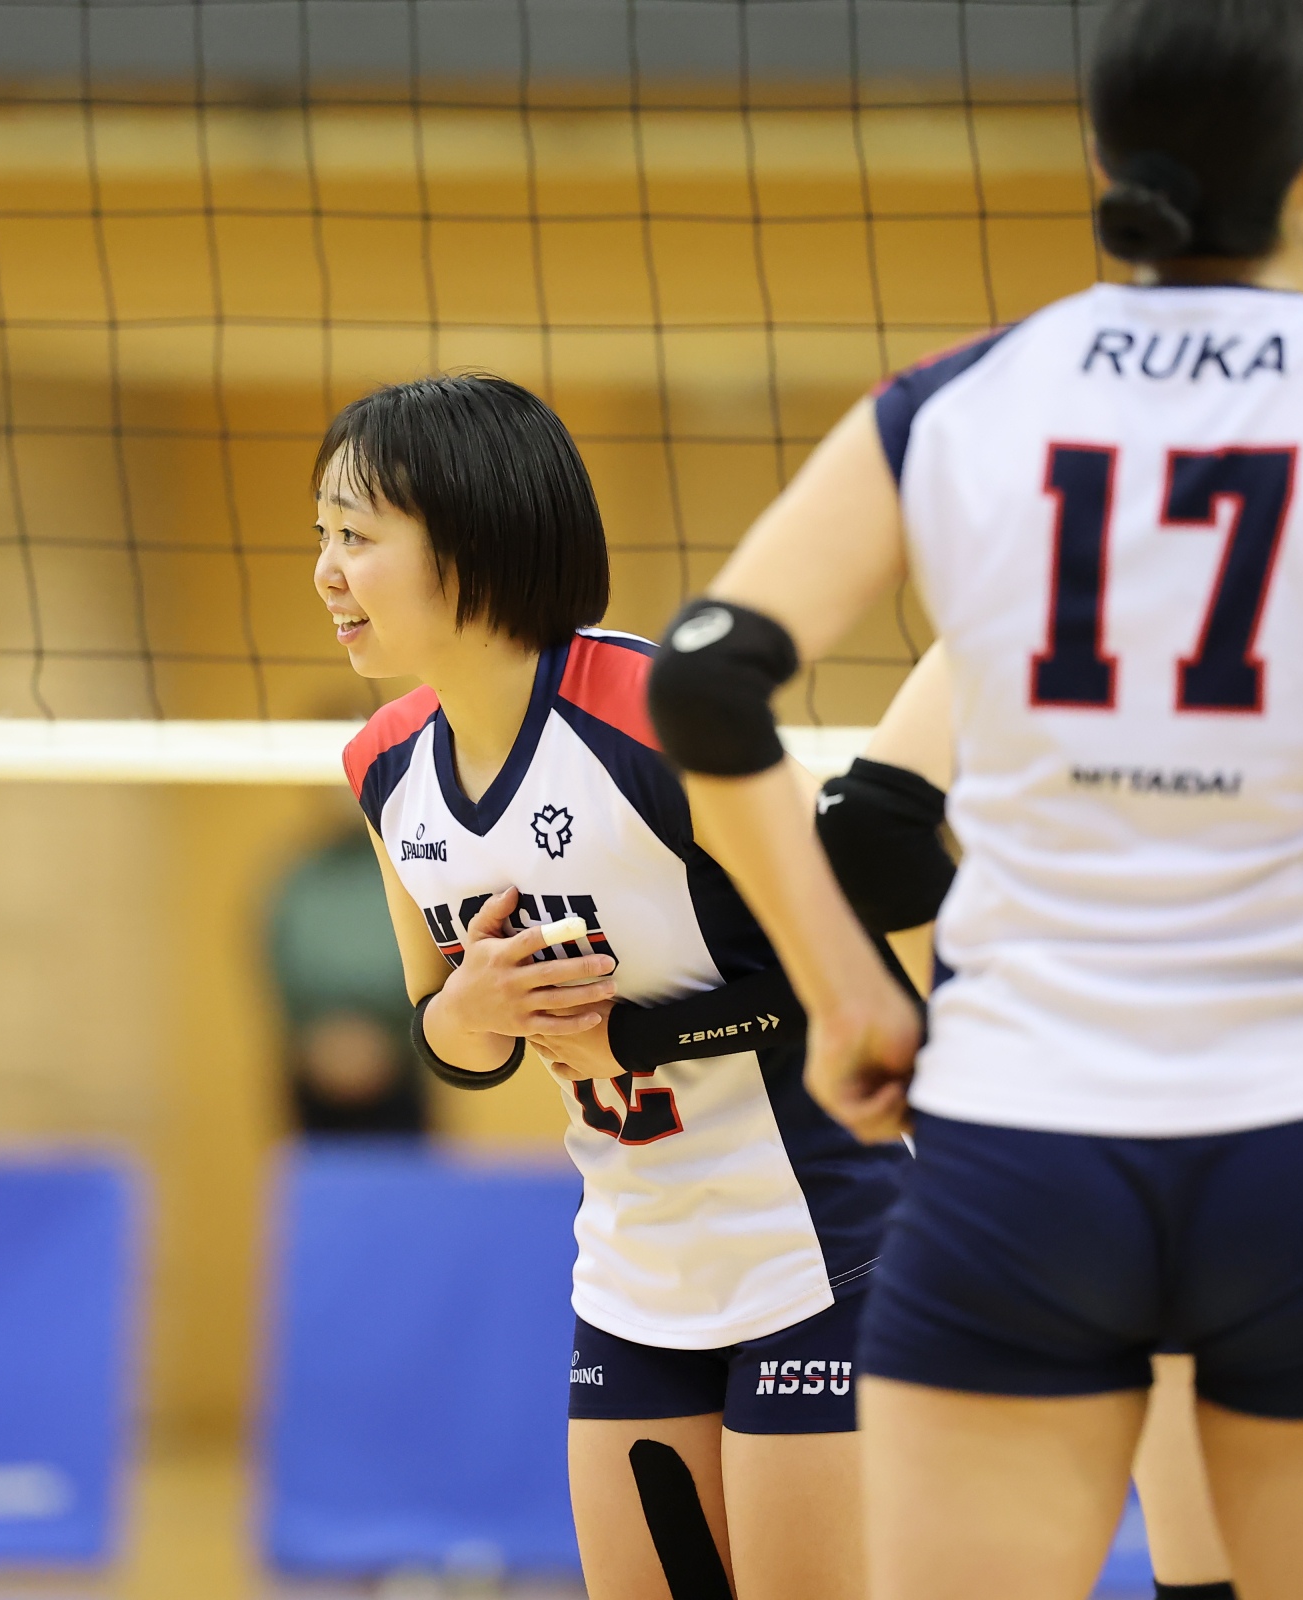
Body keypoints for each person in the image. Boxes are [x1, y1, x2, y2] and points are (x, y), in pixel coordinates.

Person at [643, 1, 1303, 1595]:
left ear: (1101, 162)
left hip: (1019, 1146)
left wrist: (846, 998)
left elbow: (701, 677)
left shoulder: (957, 399)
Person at [319, 374, 906, 1600]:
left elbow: (853, 975)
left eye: (357, 536)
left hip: (825, 1246)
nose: (326, 572)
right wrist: (469, 1015)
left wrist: (634, 1033)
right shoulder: (381, 767)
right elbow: (453, 1038)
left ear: (473, 538)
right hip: (635, 1269)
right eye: (321, 536)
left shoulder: (658, 718)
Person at [266, 822, 430, 1135]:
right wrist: (316, 1042)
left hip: (403, 1067)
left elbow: (432, 969)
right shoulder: (300, 880)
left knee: (402, 1163)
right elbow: (277, 972)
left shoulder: (412, 870)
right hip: (314, 1075)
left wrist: (396, 1040)